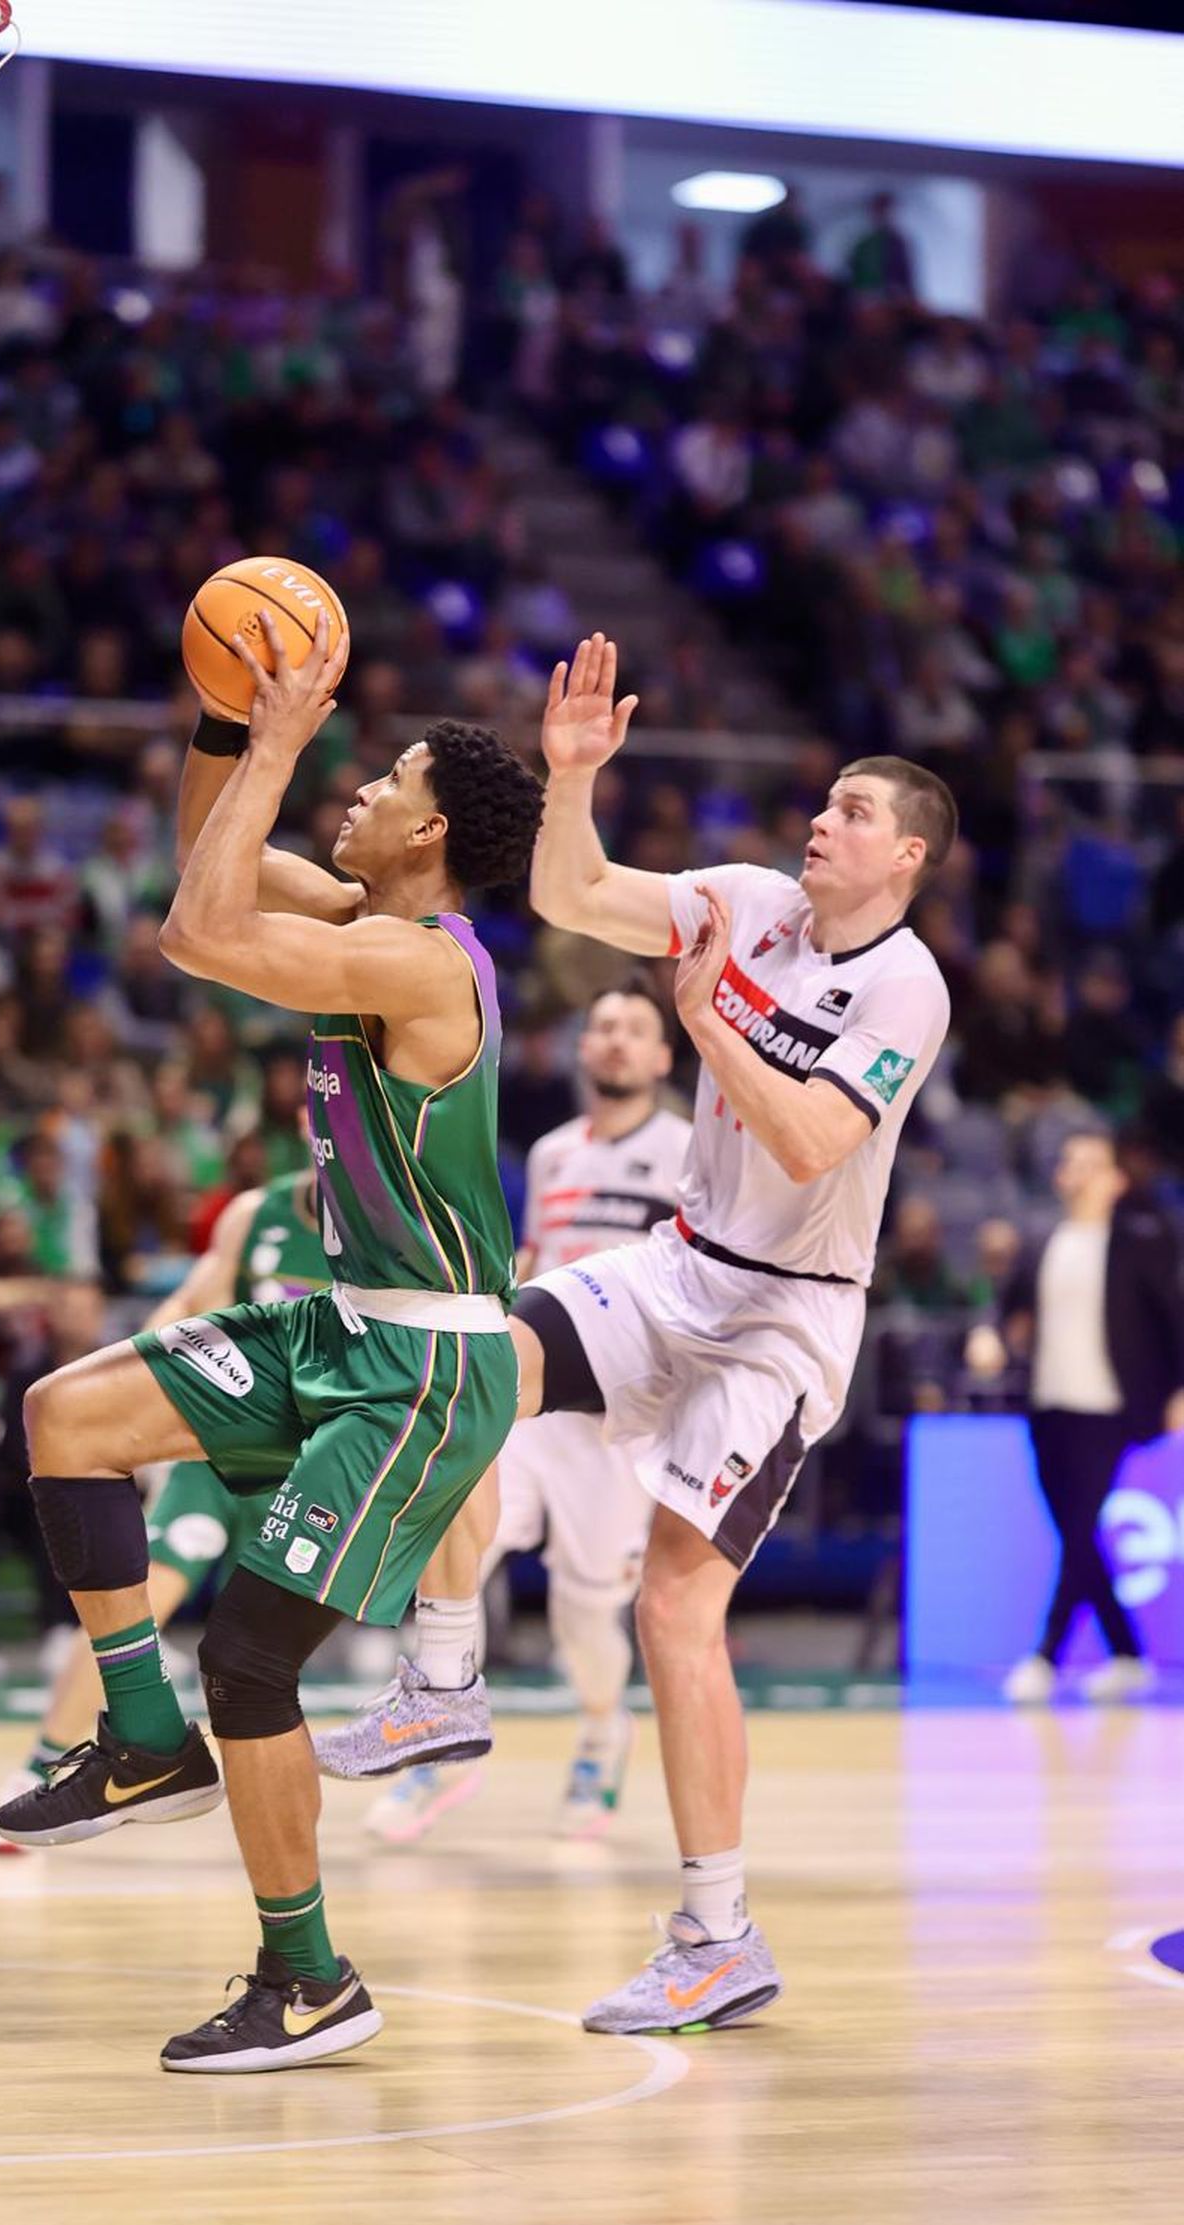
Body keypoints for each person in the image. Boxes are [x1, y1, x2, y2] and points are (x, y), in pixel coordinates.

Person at [322, 636, 955, 2037]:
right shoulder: (749, 900)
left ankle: (716, 1931)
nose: (822, 821)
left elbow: (803, 1138)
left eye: (856, 813)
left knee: (678, 1607)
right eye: (827, 799)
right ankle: (442, 1681)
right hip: (677, 1266)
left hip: (785, 1317)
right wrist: (571, 780)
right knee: (465, 1366)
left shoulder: (907, 987)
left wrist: (707, 1023)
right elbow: (570, 892)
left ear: (906, 857)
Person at [0, 612, 544, 2072]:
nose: (352, 792)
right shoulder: (371, 929)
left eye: (380, 781)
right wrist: (233, 721)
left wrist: (286, 738)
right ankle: (136, 1738)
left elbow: (199, 934)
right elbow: (206, 868)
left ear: (427, 832)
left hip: (422, 1365)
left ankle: (307, 1979)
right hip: (334, 1325)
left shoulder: (425, 966)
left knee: (251, 1658)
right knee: (66, 1416)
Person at [336, 982, 691, 1844]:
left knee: (582, 1614)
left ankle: (605, 1735)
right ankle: (441, 1754)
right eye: (600, 1024)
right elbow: (531, 1256)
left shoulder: (686, 1151)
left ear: (660, 1060)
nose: (612, 1040)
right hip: (527, 1401)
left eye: (632, 1030)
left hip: (618, 1417)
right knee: (455, 1549)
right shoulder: (553, 1154)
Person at [0, 1167, 329, 1854]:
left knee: (262, 1673)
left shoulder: (395, 1219)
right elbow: (185, 1309)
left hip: (311, 1473)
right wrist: (137, 1395)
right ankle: (44, 1762)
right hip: (216, 1464)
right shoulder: (256, 1215)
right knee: (124, 1610)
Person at [998, 1130, 1184, 1705]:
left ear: (1114, 1180)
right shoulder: (1042, 1239)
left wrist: (1178, 1388)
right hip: (1049, 1401)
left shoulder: (1138, 1242)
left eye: (1090, 1163)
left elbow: (1171, 1317)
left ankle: (1045, 1657)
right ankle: (1127, 1654)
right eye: (1069, 1161)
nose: (1076, 1171)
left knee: (1080, 1526)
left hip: (1109, 1405)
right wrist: (998, 1335)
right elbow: (1010, 1307)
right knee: (1073, 1529)